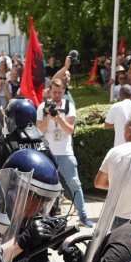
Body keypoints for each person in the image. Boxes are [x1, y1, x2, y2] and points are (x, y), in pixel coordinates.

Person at [37, 79, 92, 227]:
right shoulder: (43, 107)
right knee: (45, 186)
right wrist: (48, 116)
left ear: (64, 91)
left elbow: (70, 130)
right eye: (54, 92)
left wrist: (58, 117)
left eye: (59, 92)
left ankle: (83, 216)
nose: (56, 95)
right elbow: (39, 130)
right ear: (50, 91)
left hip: (65, 152)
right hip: (47, 153)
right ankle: (43, 218)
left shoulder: (69, 106)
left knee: (74, 184)